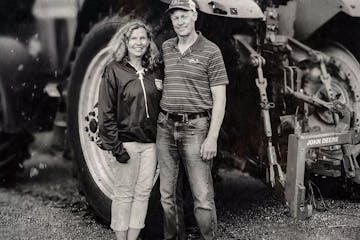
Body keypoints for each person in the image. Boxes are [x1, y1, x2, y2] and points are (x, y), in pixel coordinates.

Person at [157, 0, 229, 239]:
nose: (179, 22)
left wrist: (212, 138)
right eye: (175, 17)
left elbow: (220, 98)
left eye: (184, 16)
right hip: (165, 126)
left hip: (196, 128)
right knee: (167, 195)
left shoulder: (211, 51)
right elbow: (158, 77)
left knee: (202, 197)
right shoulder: (166, 48)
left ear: (195, 16)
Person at [98, 20, 162, 240]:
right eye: (134, 38)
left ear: (149, 41)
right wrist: (116, 147)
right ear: (125, 42)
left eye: (143, 38)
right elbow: (105, 113)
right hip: (126, 143)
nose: (139, 43)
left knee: (143, 193)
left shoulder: (154, 70)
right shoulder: (114, 70)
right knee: (124, 194)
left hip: (150, 145)